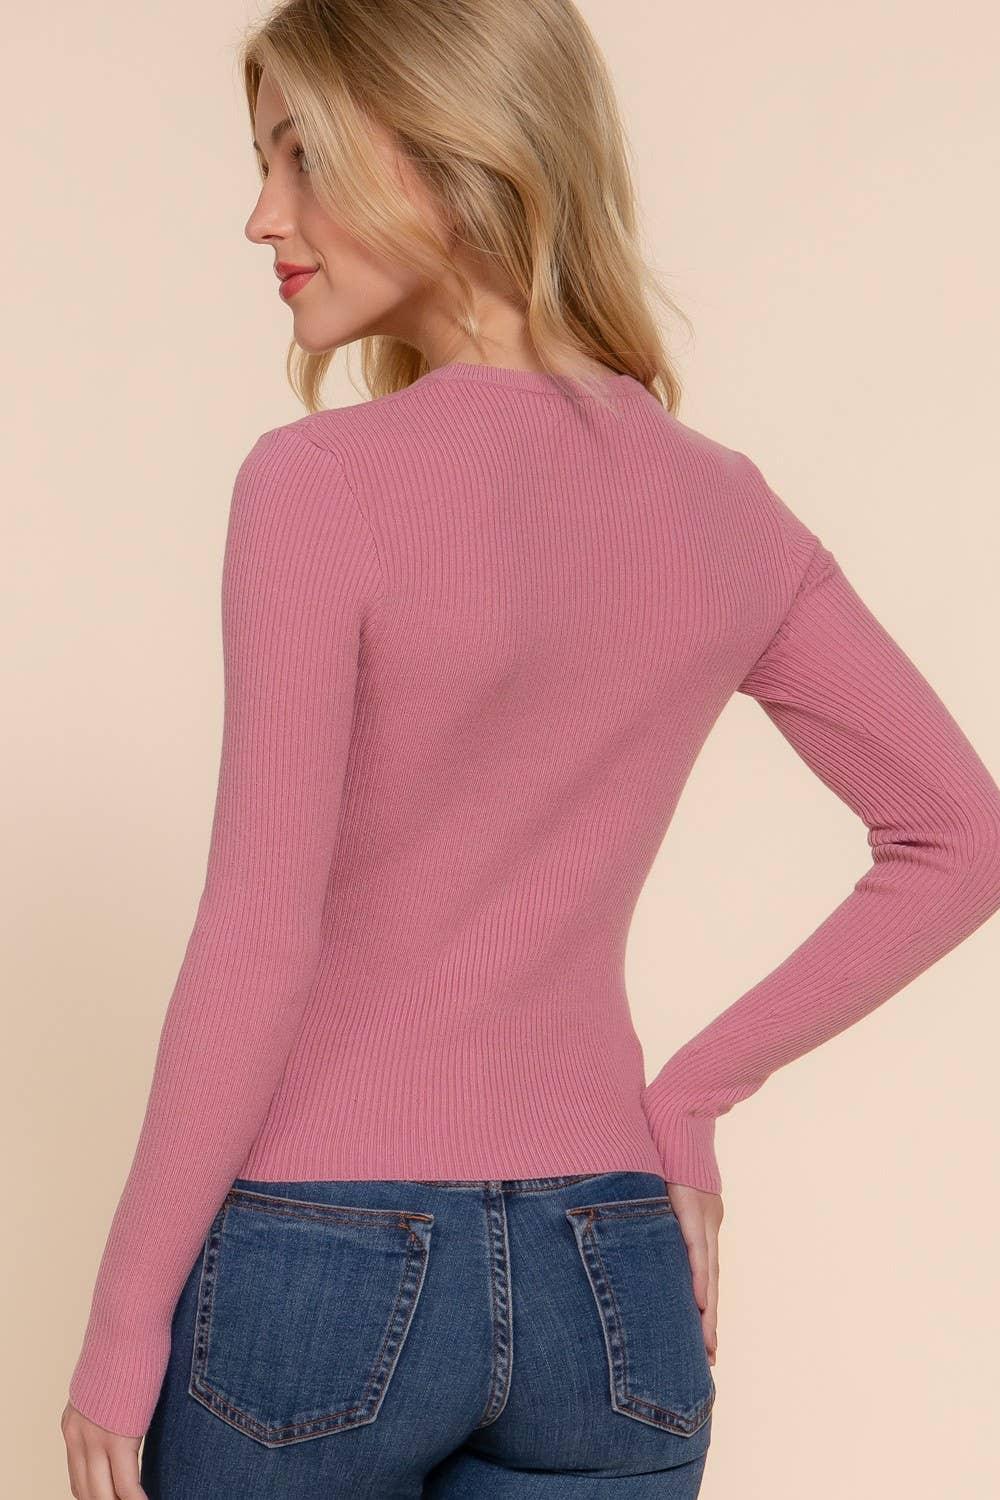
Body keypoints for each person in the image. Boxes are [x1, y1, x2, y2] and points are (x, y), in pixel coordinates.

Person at [61, 1, 1000, 1497]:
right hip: (611, 1271)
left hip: (321, 1267)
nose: (262, 217)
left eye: (301, 157)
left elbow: (258, 938)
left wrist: (124, 1323)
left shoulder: (316, 485)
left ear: (449, 154)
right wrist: (691, 1095)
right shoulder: (725, 509)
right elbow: (965, 835)